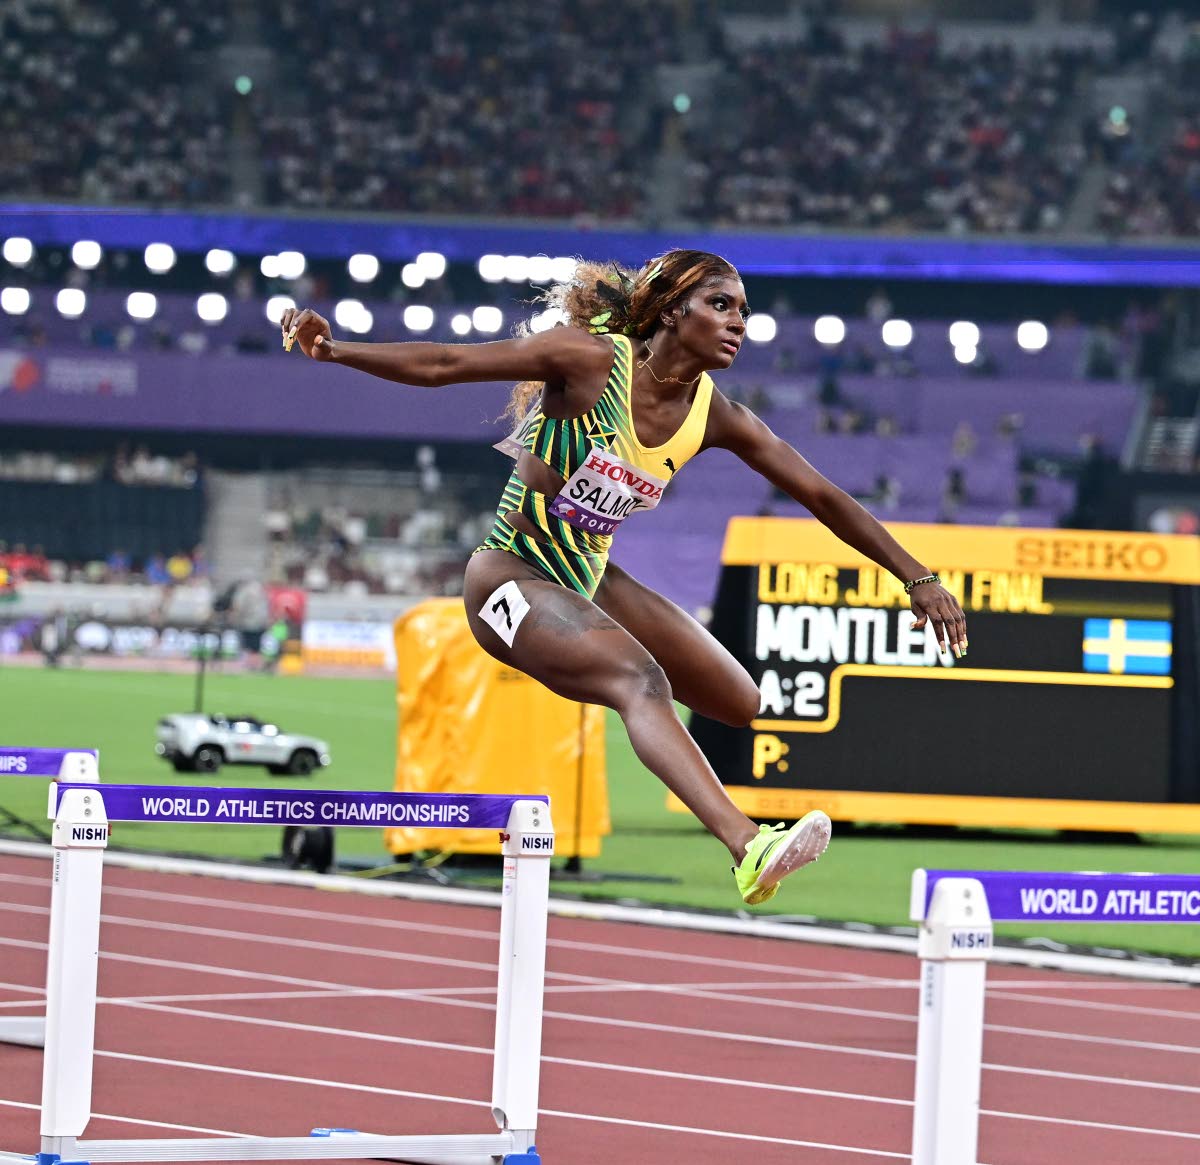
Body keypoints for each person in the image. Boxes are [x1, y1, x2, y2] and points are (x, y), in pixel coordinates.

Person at [280, 249, 968, 907]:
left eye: (744, 310)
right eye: (721, 304)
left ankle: (723, 807)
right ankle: (748, 845)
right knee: (641, 681)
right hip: (506, 581)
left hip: (591, 578)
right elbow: (446, 361)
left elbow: (821, 495)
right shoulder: (587, 360)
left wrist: (916, 576)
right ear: (671, 310)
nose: (739, 322)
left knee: (740, 699)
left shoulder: (715, 415)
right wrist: (337, 350)